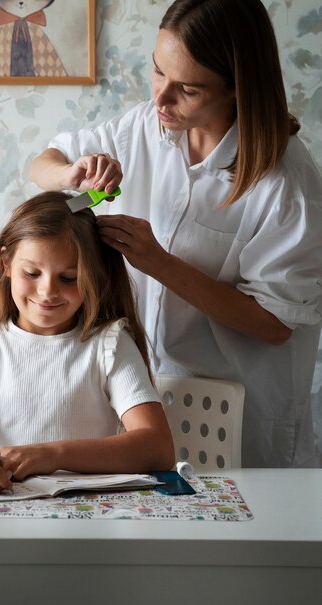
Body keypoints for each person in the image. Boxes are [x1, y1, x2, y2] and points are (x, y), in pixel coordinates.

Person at [29, 0, 322, 468]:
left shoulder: (285, 182)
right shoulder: (144, 126)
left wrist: (159, 263)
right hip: (149, 394)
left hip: (241, 411)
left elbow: (276, 325)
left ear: (237, 89)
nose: (161, 99)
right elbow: (43, 161)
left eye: (186, 89)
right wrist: (72, 176)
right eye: (156, 72)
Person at [0, 192, 175, 494]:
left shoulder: (110, 345)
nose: (47, 291)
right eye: (32, 273)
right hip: (6, 514)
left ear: (93, 276)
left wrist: (53, 455)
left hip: (87, 517)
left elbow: (157, 447)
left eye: (68, 278)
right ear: (6, 264)